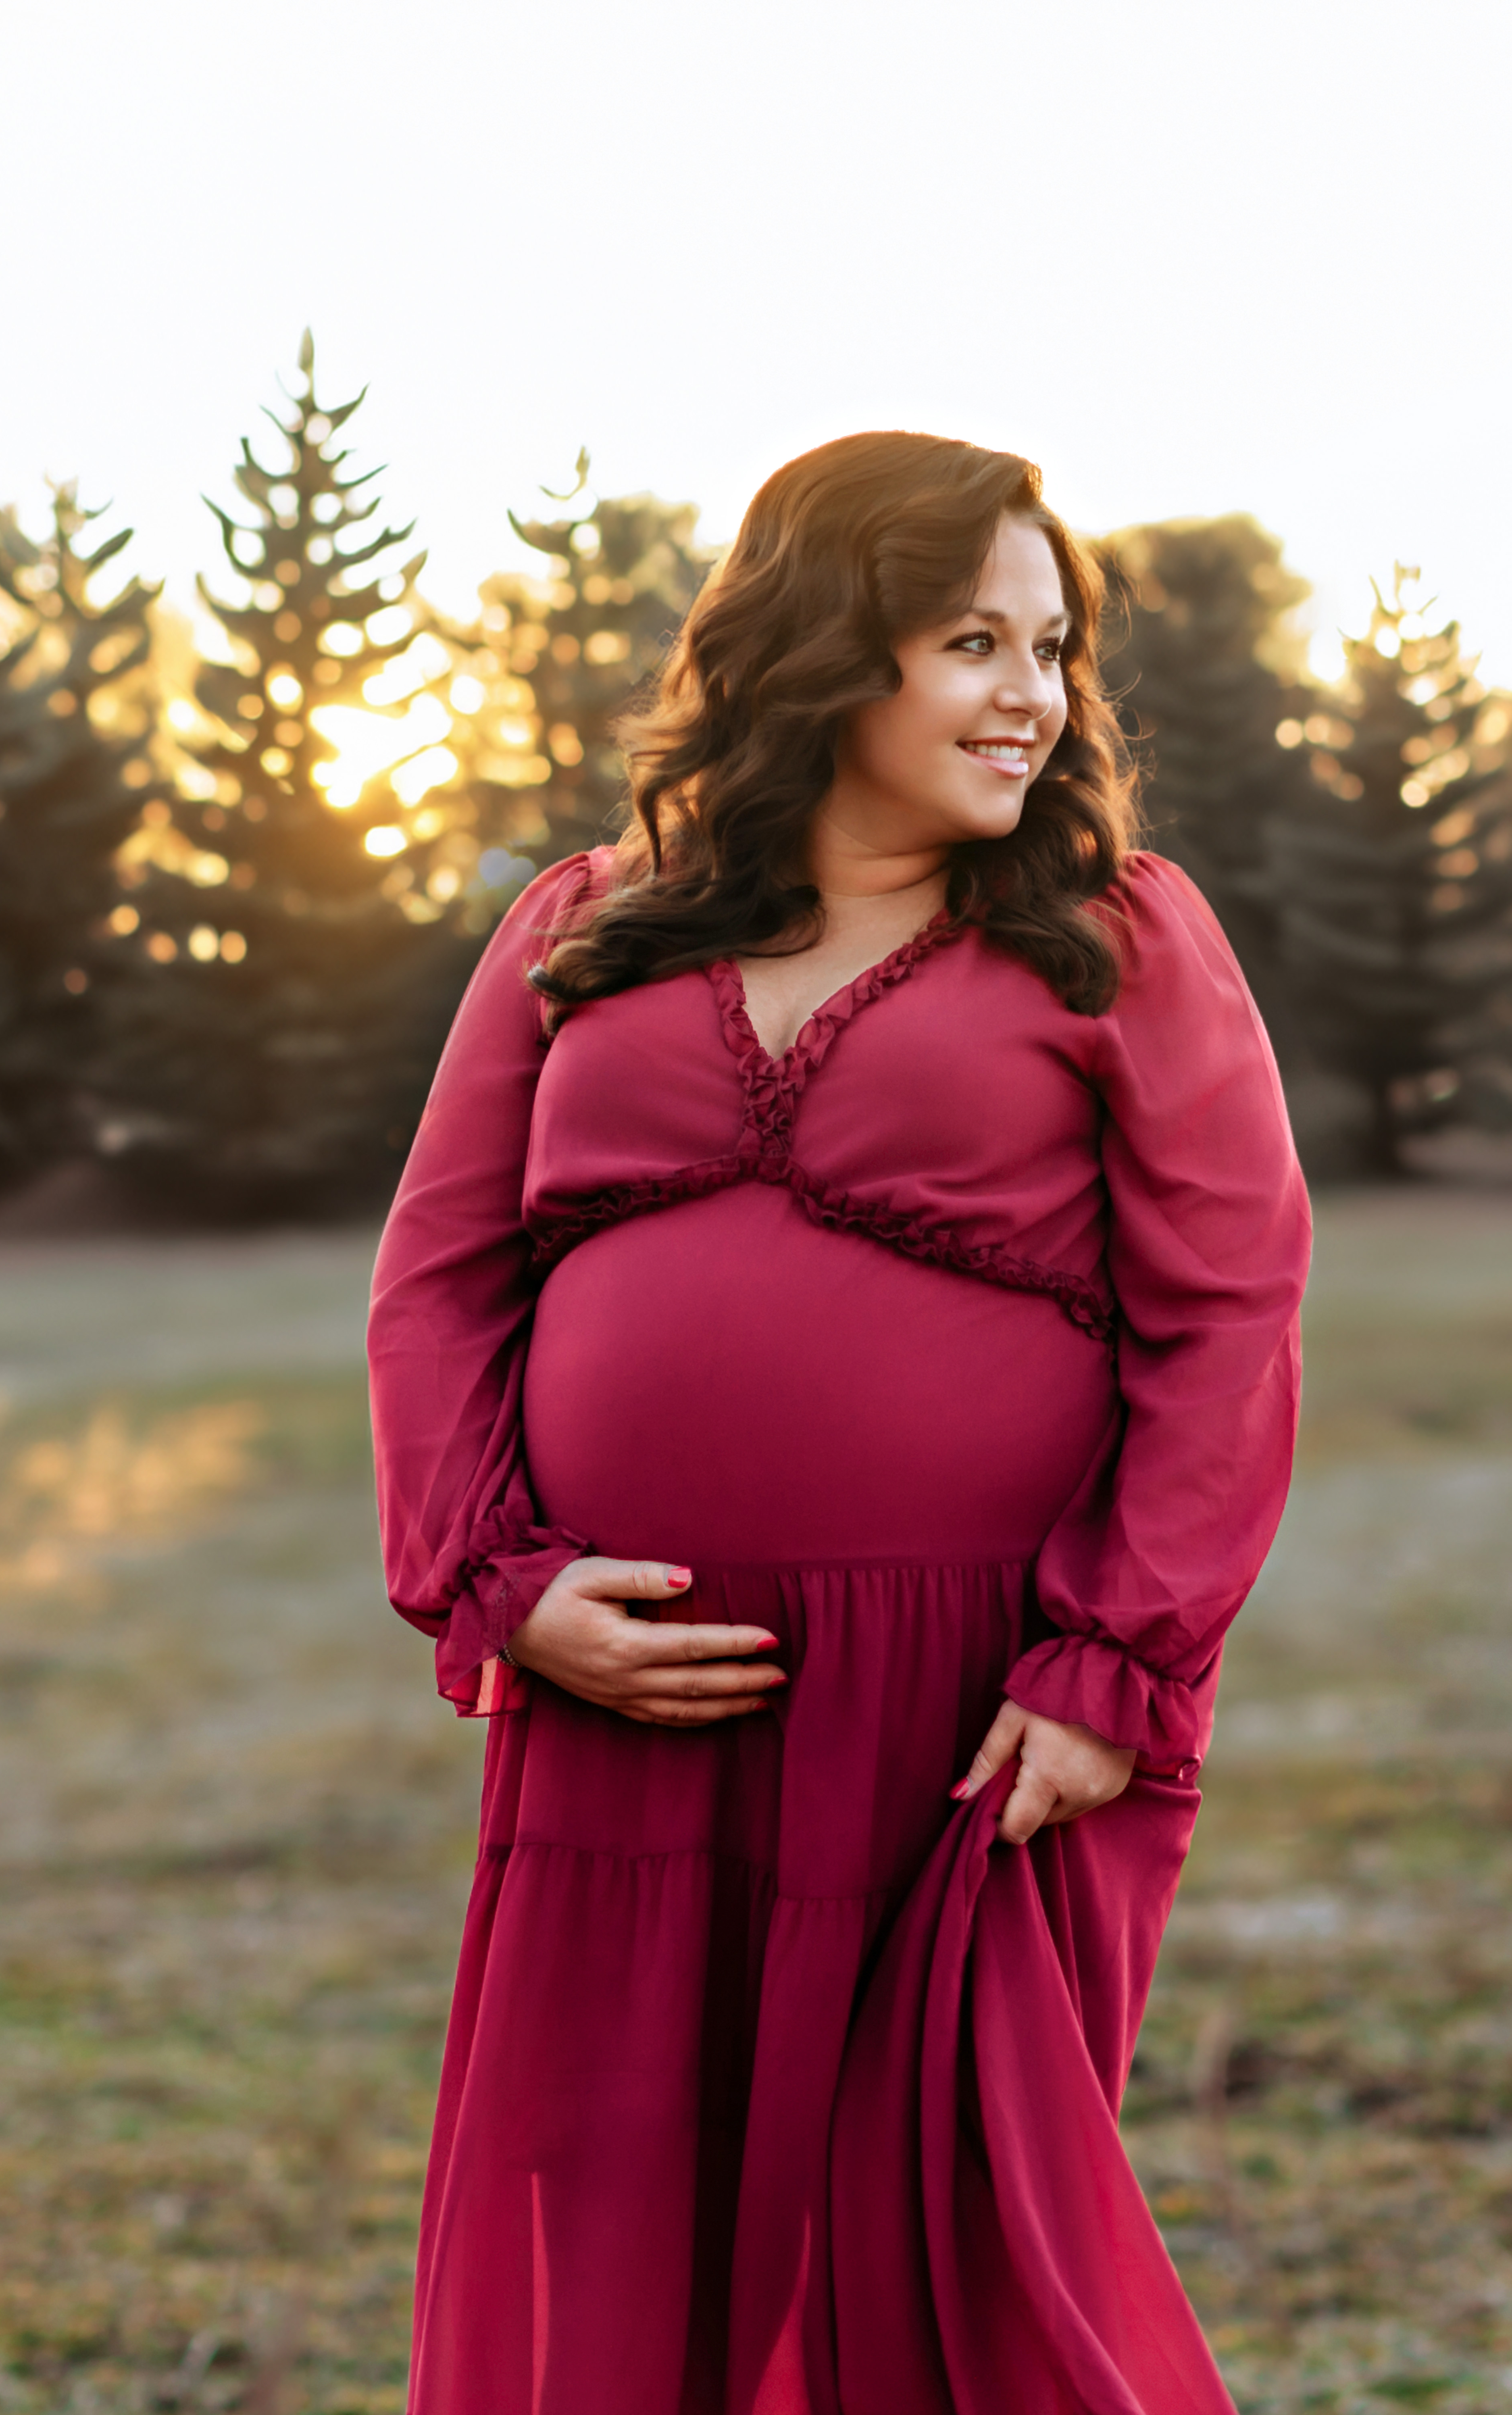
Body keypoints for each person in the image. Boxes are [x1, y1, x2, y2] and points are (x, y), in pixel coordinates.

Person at [366, 430, 1309, 2413]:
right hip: (635, 1683)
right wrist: (501, 1585)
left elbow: (1228, 1322)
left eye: (1053, 647)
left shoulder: (1118, 936)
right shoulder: (580, 926)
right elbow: (440, 1282)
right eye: (973, 639)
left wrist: (1111, 1659)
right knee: (623, 2225)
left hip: (971, 1701)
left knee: (949, 2249)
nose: (1034, 697)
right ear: (825, 653)